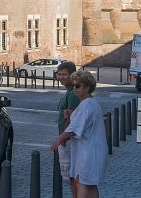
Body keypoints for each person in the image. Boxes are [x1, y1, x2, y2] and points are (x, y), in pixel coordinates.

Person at [51, 70, 107, 198]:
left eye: (78, 86)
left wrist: (59, 140)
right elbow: (78, 124)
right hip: (90, 150)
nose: (74, 89)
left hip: (88, 151)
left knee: (81, 182)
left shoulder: (87, 105)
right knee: (90, 184)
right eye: (74, 86)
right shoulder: (89, 103)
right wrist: (70, 117)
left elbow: (74, 129)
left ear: (87, 88)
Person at [55, 61, 81, 192]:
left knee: (73, 177)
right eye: (59, 74)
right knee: (72, 177)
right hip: (68, 139)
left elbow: (71, 119)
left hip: (69, 141)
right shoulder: (70, 92)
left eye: (64, 74)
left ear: (72, 75)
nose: (60, 77)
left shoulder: (73, 94)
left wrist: (62, 139)